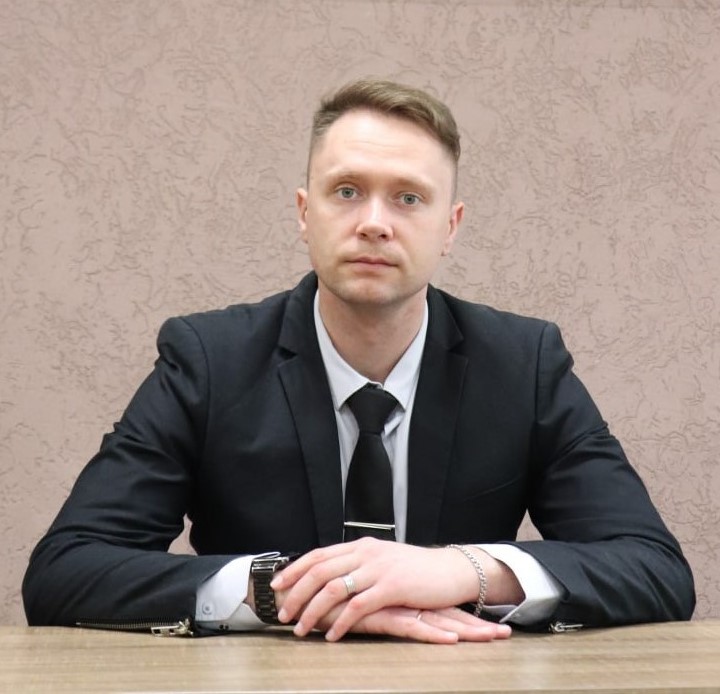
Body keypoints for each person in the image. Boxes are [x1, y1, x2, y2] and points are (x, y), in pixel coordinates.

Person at [23, 78, 695, 643]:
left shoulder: (525, 365)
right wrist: (281, 590)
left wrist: (462, 571)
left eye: (409, 197)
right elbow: (65, 570)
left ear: (451, 226)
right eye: (347, 191)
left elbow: (654, 568)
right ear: (304, 213)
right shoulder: (208, 361)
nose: (375, 221)